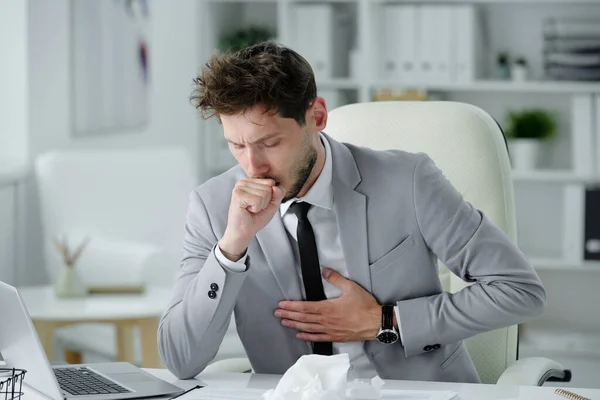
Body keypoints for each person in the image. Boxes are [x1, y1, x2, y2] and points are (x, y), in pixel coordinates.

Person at [157, 42, 546, 382]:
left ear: (318, 117)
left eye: (269, 142)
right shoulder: (213, 207)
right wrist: (231, 248)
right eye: (236, 145)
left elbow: (520, 291)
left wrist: (386, 320)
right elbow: (179, 358)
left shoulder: (407, 179)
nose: (253, 166)